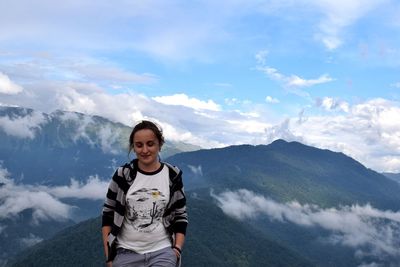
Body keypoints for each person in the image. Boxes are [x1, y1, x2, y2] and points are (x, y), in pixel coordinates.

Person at [102, 120, 188, 267]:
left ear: (159, 144)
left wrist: (177, 249)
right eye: (139, 145)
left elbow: (180, 215)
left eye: (150, 144)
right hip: (125, 252)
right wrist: (109, 257)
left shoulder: (172, 176)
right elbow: (108, 215)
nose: (145, 150)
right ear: (133, 148)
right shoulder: (123, 175)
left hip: (162, 251)